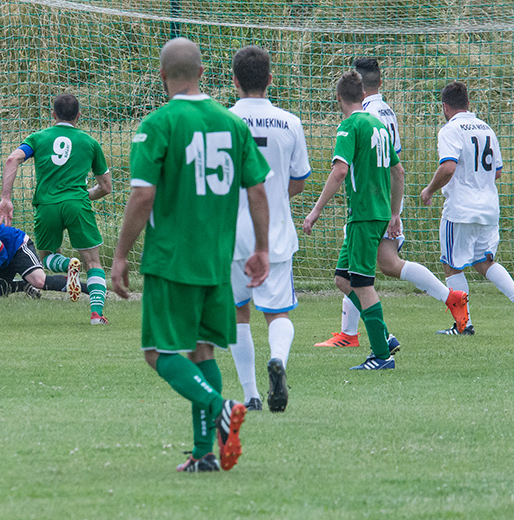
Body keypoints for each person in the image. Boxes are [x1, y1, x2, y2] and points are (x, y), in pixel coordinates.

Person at [111, 37, 271, 473]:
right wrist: (261, 248)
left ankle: (221, 408)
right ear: (202, 73)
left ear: (162, 76)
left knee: (157, 352)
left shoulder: (158, 124)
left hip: (171, 259)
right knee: (203, 351)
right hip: (216, 261)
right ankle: (204, 454)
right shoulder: (232, 123)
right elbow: (257, 189)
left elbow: (143, 195)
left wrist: (120, 255)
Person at [314, 58, 470, 348]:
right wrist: (393, 210)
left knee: (358, 276)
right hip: (385, 201)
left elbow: (352, 167)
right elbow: (396, 167)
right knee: (385, 265)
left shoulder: (361, 117)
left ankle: (355, 335)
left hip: (368, 203)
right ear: (379, 83)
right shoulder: (385, 112)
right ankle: (449, 297)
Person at [227, 46, 311, 413]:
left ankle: (251, 395)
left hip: (231, 234)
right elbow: (299, 181)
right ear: (270, 79)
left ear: (234, 81)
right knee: (278, 314)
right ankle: (277, 359)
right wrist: (272, 196)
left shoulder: (222, 121)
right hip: (274, 232)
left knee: (236, 312)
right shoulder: (289, 122)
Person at [303, 70, 404, 370]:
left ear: (338, 98)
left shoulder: (349, 126)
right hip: (378, 213)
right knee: (342, 279)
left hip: (363, 215)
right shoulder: (379, 125)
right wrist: (394, 213)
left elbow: (340, 172)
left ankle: (381, 356)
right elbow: (398, 172)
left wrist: (315, 211)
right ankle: (383, 336)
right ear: (362, 95)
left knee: (362, 283)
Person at [421, 81, 514, 335]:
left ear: (445, 107)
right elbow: (497, 172)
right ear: (468, 103)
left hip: (461, 209)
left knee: (452, 266)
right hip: (489, 208)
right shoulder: (486, 128)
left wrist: (429, 190)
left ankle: (464, 325)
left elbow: (448, 167)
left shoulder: (450, 130)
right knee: (483, 262)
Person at [0, 93, 112, 325]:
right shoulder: (90, 143)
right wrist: (84, 195)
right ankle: (96, 315)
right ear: (78, 115)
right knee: (93, 262)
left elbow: (12, 160)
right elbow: (106, 187)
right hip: (77, 204)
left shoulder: (38, 138)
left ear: (53, 114)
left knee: (46, 257)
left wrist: (6, 198)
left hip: (47, 205)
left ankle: (67, 264)